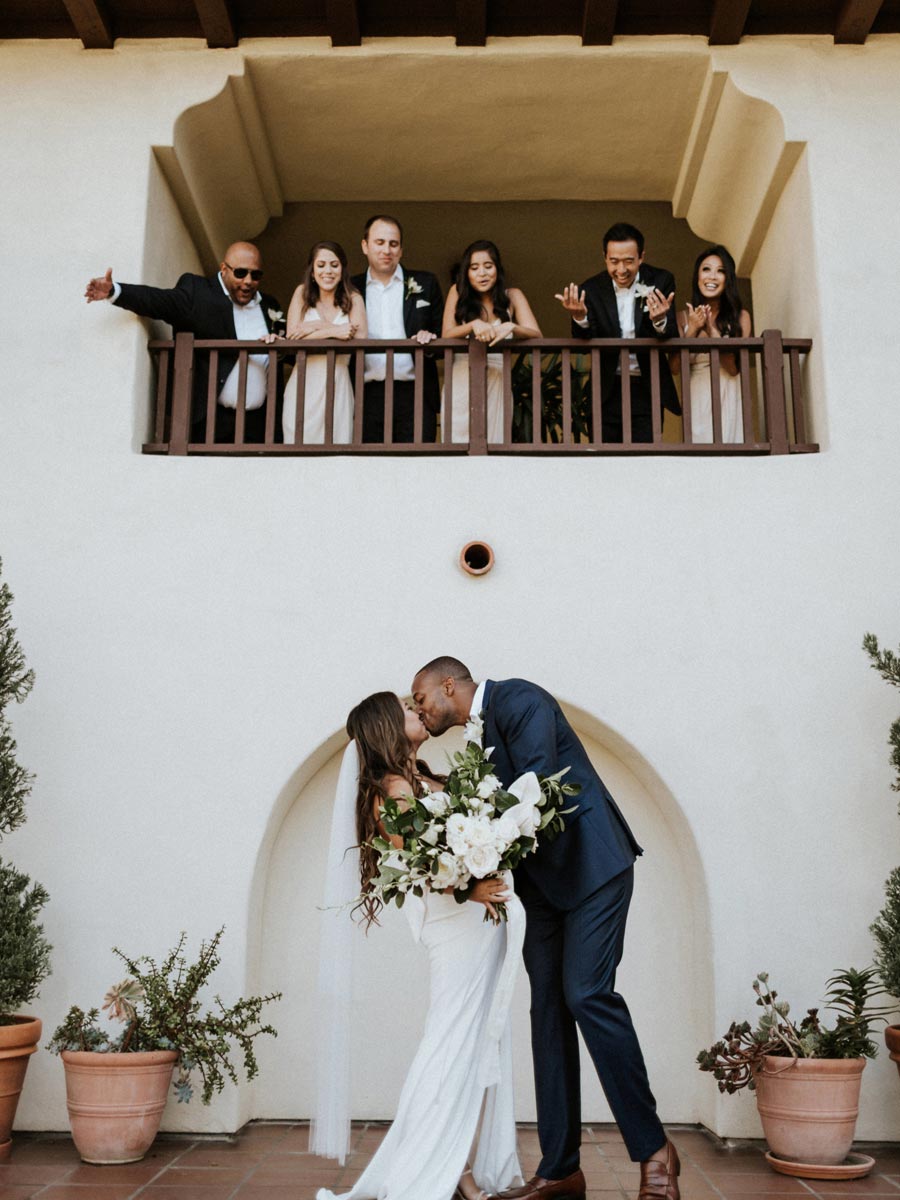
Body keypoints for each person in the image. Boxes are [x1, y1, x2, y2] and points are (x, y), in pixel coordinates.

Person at [411, 658, 681, 1200]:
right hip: (543, 890)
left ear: (448, 685)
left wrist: (479, 843)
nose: (419, 709)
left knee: (586, 994)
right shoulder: (475, 738)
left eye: (420, 698)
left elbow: (534, 790)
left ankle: (655, 1152)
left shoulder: (520, 700)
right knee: (546, 1011)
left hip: (594, 869)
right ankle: (560, 1170)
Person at [312, 692, 524, 1200]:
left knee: (471, 1045)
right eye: (408, 708)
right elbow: (417, 865)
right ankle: (429, 1171)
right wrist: (469, 887)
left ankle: (459, 1170)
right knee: (448, 1044)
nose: (418, 712)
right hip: (456, 927)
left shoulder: (423, 777)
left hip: (477, 924)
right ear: (387, 725)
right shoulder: (392, 789)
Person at [84, 242, 284, 443]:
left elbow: (289, 348)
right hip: (211, 421)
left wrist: (281, 344)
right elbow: (160, 301)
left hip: (259, 424)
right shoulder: (198, 291)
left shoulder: (269, 305)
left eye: (255, 275)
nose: (248, 281)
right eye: (240, 273)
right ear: (224, 269)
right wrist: (114, 291)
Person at [555, 222, 679, 444]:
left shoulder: (660, 280)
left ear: (641, 256)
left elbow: (669, 334)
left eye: (629, 261)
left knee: (645, 459)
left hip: (647, 386)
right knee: (604, 461)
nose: (621, 270)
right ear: (605, 257)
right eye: (614, 261)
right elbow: (582, 340)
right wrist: (579, 316)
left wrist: (659, 319)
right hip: (606, 388)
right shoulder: (591, 289)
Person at [350, 216, 443, 444]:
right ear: (365, 246)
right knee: (365, 469)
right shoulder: (350, 286)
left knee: (417, 467)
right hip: (364, 394)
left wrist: (431, 338)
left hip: (415, 392)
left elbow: (443, 331)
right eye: (379, 242)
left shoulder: (426, 283)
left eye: (393, 244)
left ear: (401, 249)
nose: (386, 250)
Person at [441, 241, 542, 445]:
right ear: (466, 272)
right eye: (474, 267)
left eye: (488, 266)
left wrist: (511, 327)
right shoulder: (457, 292)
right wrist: (473, 325)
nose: (482, 273)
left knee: (495, 445)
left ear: (497, 269)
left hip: (498, 379)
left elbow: (536, 334)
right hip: (461, 379)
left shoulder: (513, 296)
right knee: (457, 446)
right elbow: (446, 334)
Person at [282, 242, 367, 445]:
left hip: (338, 382)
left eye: (334, 265)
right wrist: (333, 330)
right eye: (321, 265)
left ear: (342, 269)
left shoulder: (354, 298)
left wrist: (313, 328)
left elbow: (360, 338)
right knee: (298, 447)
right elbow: (292, 336)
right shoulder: (301, 293)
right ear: (312, 271)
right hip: (303, 383)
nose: (327, 271)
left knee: (337, 449)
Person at [673, 246, 751, 444]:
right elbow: (674, 367)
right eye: (706, 269)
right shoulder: (682, 318)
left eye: (721, 271)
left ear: (728, 279)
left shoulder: (741, 317)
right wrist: (692, 330)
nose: (712, 276)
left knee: (730, 449)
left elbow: (733, 368)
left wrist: (711, 332)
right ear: (697, 276)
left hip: (727, 390)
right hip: (696, 394)